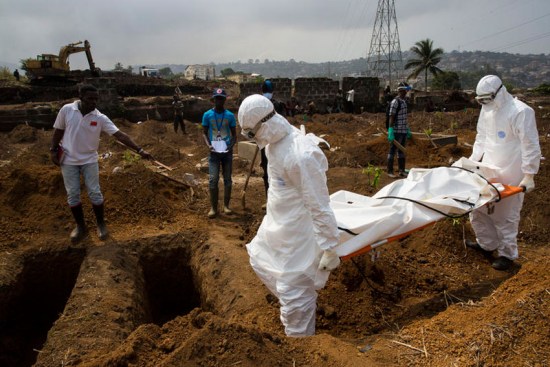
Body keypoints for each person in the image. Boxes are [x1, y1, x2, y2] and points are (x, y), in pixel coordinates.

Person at [237, 94, 341, 337]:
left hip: (298, 238)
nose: (252, 139)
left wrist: (329, 247)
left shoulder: (300, 156)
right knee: (261, 261)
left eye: (252, 134)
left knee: (295, 296)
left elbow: (319, 204)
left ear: (266, 124)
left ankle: (301, 349)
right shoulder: (275, 144)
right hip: (279, 227)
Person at [50, 84, 153, 242]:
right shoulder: (67, 110)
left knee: (95, 193)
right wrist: (53, 149)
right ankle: (80, 227)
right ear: (81, 97)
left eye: (96, 99)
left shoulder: (99, 118)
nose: (93, 102)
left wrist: (139, 150)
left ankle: (101, 224)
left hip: (89, 159)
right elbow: (58, 130)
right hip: (68, 160)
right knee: (73, 194)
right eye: (90, 99)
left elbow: (120, 135)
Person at [466, 75, 541, 271]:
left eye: (487, 99)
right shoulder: (487, 109)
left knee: (506, 215)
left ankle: (507, 254)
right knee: (479, 208)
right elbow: (481, 137)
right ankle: (486, 244)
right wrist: (472, 162)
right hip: (490, 168)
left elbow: (530, 144)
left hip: (512, 170)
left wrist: (529, 174)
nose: (484, 103)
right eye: (481, 100)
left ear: (500, 92)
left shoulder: (521, 112)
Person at [202, 88, 237, 218]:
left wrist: (231, 146)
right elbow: (204, 133)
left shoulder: (229, 116)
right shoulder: (207, 115)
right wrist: (208, 145)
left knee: (227, 179)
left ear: (224, 100)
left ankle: (226, 206)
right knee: (213, 179)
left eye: (221, 98)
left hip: (227, 152)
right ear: (214, 99)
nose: (219, 100)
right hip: (214, 153)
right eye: (217, 98)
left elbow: (234, 135)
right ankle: (213, 208)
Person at [259, 80, 286, 207]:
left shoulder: (270, 105)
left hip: (272, 143)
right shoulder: (272, 105)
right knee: (269, 171)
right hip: (270, 143)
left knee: (274, 171)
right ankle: (271, 200)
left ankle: (276, 200)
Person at [387, 82, 412, 178]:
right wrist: (390, 130)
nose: (406, 92)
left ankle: (401, 170)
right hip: (396, 131)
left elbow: (404, 117)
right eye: (405, 90)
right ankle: (390, 171)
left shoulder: (404, 102)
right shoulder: (395, 102)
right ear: (401, 90)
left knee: (401, 151)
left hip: (403, 130)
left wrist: (407, 128)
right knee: (392, 150)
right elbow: (391, 116)